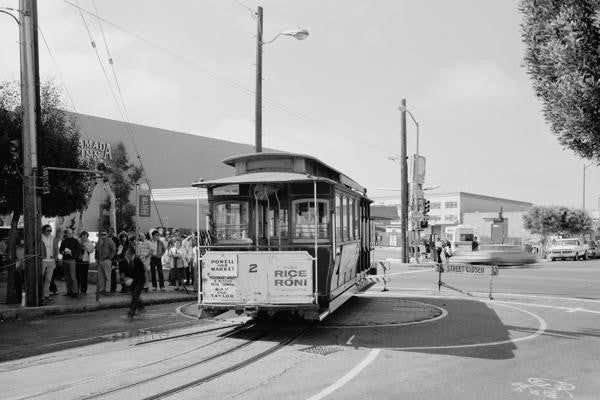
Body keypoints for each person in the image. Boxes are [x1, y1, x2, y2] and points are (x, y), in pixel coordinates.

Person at [122, 246, 146, 318]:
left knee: (135, 295)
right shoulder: (128, 260)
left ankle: (131, 311)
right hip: (133, 280)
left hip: (140, 280)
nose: (126, 255)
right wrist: (126, 278)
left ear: (131, 253)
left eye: (127, 253)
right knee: (134, 295)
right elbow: (128, 271)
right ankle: (141, 306)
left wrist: (131, 279)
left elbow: (141, 272)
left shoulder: (137, 260)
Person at [59, 228, 81, 297]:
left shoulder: (76, 241)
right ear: (66, 233)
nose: (69, 234)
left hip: (72, 260)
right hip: (65, 259)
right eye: (68, 233)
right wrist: (61, 252)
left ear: (72, 233)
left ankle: (75, 292)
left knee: (72, 276)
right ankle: (69, 291)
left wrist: (72, 252)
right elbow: (60, 250)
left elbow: (78, 251)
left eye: (71, 233)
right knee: (67, 276)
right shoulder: (64, 241)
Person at [95, 229, 116, 295]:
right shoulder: (98, 241)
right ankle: (102, 289)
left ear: (107, 235)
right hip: (100, 260)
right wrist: (96, 258)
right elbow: (96, 250)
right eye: (102, 234)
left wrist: (109, 257)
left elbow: (113, 250)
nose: (103, 235)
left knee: (107, 276)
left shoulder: (110, 241)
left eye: (104, 234)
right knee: (101, 277)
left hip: (107, 260)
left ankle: (107, 290)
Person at [108, 227, 120, 293]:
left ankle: (113, 288)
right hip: (107, 258)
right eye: (109, 231)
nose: (111, 232)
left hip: (114, 259)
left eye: (112, 231)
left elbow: (118, 248)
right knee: (107, 274)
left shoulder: (116, 239)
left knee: (113, 274)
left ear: (113, 232)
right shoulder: (106, 239)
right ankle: (107, 288)